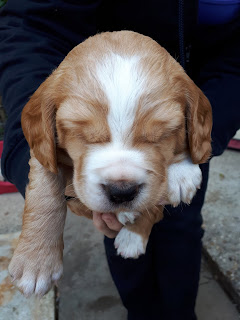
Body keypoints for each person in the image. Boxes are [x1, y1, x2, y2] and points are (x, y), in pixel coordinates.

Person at [0, 1, 239, 319]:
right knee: (112, 226)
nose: (121, 180)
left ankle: (181, 313)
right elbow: (31, 23)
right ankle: (139, 311)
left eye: (156, 134)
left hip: (197, 93)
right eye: (86, 134)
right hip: (98, 70)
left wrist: (191, 154)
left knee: (181, 223)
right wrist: (40, 186)